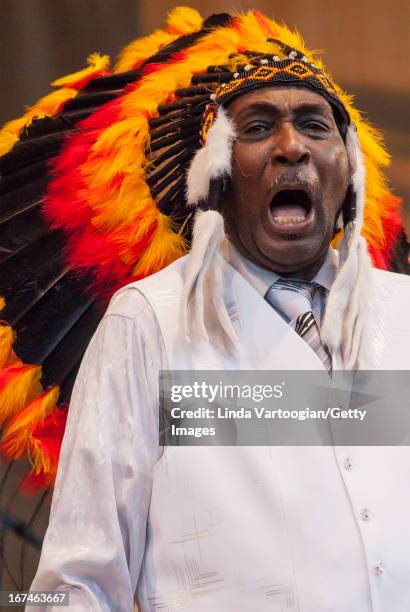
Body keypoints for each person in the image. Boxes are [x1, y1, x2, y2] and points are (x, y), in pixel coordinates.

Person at [12, 7, 409, 611]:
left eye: (314, 125)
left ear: (349, 172)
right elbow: (77, 584)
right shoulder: (148, 319)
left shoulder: (404, 313)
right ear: (213, 180)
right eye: (255, 127)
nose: (291, 147)